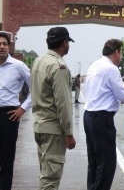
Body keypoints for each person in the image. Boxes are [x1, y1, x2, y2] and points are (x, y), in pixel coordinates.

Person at [30, 27, 77, 190]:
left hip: (40, 125)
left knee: (45, 172)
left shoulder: (38, 61)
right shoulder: (58, 67)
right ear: (65, 43)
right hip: (53, 130)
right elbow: (63, 104)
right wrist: (69, 133)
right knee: (50, 178)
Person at [83, 39, 124, 190]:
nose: (121, 57)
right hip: (102, 118)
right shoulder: (111, 68)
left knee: (94, 161)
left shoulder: (95, 65)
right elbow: (123, 95)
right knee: (107, 164)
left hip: (89, 116)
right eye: (121, 53)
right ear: (117, 52)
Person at [0, 32, 31, 190]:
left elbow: (35, 89)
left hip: (9, 116)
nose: (2, 47)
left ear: (9, 46)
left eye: (5, 44)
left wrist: (22, 108)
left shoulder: (18, 66)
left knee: (6, 158)